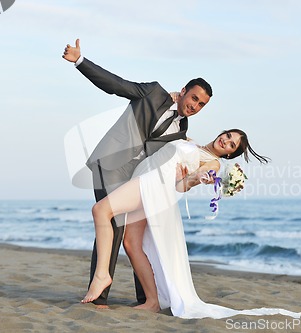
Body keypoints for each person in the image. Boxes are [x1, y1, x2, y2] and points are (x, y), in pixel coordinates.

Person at [80, 129, 301, 319]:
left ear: (228, 154)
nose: (225, 141)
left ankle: (102, 274)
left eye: (231, 145)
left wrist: (196, 179)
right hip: (145, 177)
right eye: (227, 136)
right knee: (131, 243)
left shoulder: (212, 163)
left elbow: (183, 186)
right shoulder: (193, 142)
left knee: (101, 209)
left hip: (154, 184)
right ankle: (152, 301)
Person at [62, 39, 213, 307]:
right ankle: (100, 297)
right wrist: (80, 61)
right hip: (109, 163)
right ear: (184, 91)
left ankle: (145, 297)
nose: (195, 106)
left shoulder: (181, 132)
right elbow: (116, 85)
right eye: (194, 98)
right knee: (114, 226)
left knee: (137, 234)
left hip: (136, 178)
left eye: (201, 104)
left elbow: (167, 159)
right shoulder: (153, 93)